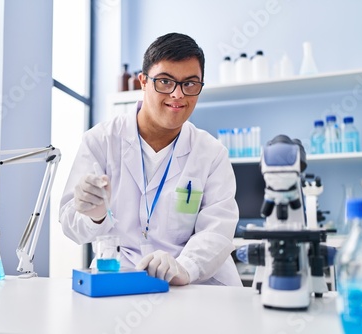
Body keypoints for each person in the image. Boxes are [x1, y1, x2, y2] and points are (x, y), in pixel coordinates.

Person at [59, 32, 242, 286]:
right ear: (143, 82)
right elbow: (70, 225)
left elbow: (218, 229)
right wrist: (94, 216)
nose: (178, 94)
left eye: (190, 84)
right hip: (120, 274)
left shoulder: (211, 153)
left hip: (195, 281)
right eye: (165, 82)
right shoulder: (101, 140)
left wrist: (184, 268)